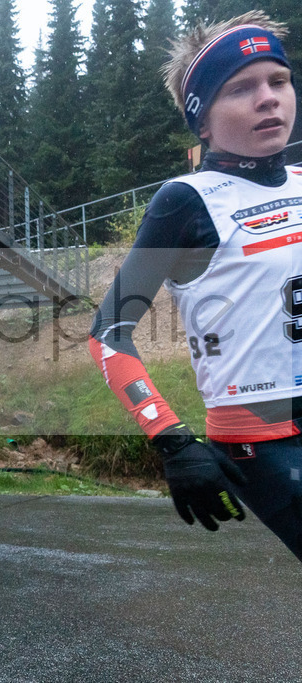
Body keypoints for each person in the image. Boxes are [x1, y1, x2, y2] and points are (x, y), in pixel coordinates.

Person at [89, 13, 302, 555]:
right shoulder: (186, 200)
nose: (269, 98)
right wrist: (171, 439)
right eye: (242, 88)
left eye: (279, 80)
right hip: (267, 441)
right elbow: (108, 332)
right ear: (201, 121)